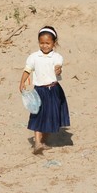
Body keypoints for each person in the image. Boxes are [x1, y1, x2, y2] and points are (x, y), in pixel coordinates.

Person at [18, 26, 70, 155]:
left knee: (51, 116)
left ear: (54, 43)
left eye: (48, 43)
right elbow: (27, 70)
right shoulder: (34, 57)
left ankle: (43, 141)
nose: (45, 46)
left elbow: (58, 66)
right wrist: (22, 82)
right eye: (42, 43)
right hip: (39, 91)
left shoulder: (57, 57)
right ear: (38, 42)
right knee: (38, 115)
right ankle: (37, 143)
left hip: (53, 90)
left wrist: (58, 70)